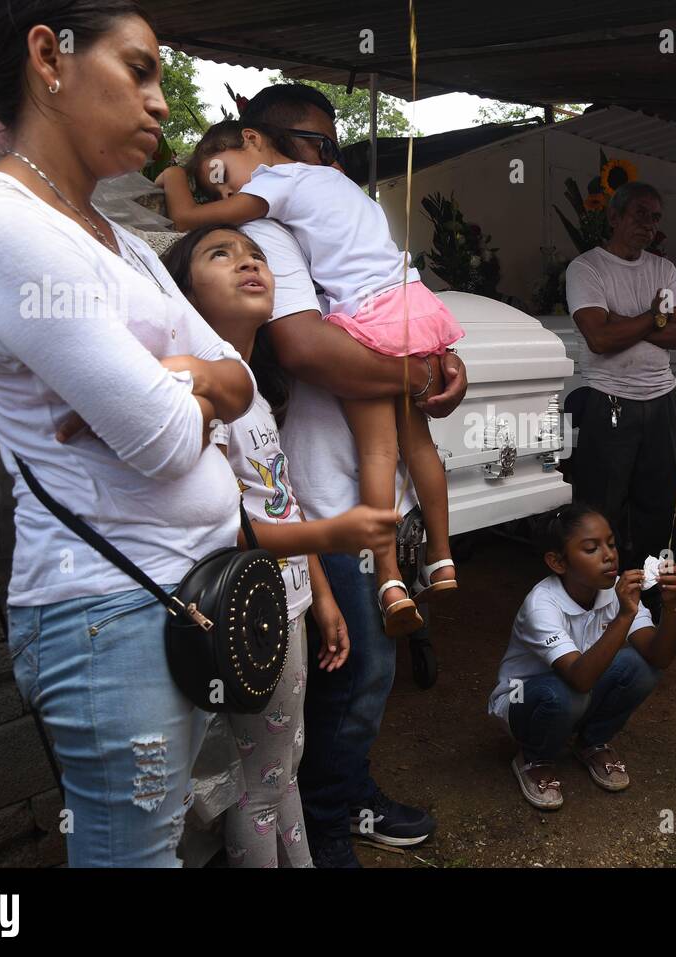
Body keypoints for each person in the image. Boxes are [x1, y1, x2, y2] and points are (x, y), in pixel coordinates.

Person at [0, 0, 257, 866]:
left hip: (177, 596)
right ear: (50, 56)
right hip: (107, 614)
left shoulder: (122, 240)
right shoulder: (2, 224)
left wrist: (184, 379)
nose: (160, 102)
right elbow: (156, 441)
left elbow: (243, 378)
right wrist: (186, 391)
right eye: (139, 69)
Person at [221, 83, 468, 867]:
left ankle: (341, 795)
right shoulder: (272, 234)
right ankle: (329, 823)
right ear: (261, 145)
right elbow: (305, 350)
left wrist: (445, 361)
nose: (329, 161)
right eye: (313, 144)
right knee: (353, 673)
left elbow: (405, 307)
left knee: (366, 668)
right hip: (325, 492)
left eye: (335, 148)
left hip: (374, 480)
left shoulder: (331, 213)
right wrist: (418, 369)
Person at [159, 118, 462, 638]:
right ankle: (443, 557)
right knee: (421, 446)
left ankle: (389, 579)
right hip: (413, 305)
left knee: (378, 451)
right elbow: (306, 348)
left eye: (222, 175)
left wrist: (170, 178)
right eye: (217, 188)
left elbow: (188, 216)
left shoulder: (273, 191)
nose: (229, 192)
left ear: (253, 139)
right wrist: (430, 368)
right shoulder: (342, 192)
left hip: (369, 322)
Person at [161, 225, 406, 867]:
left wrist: (320, 596)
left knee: (280, 770)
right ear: (183, 290)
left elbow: (280, 498)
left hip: (286, 603)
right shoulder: (206, 389)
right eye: (222, 255)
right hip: (246, 614)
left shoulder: (255, 386)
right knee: (259, 784)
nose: (248, 262)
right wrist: (333, 535)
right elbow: (228, 525)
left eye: (257, 256)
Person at [489, 504, 676, 810]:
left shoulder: (611, 591)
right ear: (557, 562)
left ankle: (592, 742)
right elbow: (580, 679)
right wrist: (624, 616)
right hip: (523, 698)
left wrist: (670, 605)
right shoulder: (541, 605)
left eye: (611, 543)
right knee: (568, 695)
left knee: (641, 667)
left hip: (577, 686)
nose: (609, 555)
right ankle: (534, 757)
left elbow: (658, 657)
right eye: (591, 548)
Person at [565, 181, 676, 598]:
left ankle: (649, 599)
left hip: (660, 401)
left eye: (655, 217)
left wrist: (627, 322)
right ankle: (599, 601)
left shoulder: (663, 270)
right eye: (639, 214)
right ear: (614, 217)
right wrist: (652, 317)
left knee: (658, 507)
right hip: (610, 400)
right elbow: (599, 339)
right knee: (602, 510)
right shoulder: (586, 269)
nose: (649, 225)